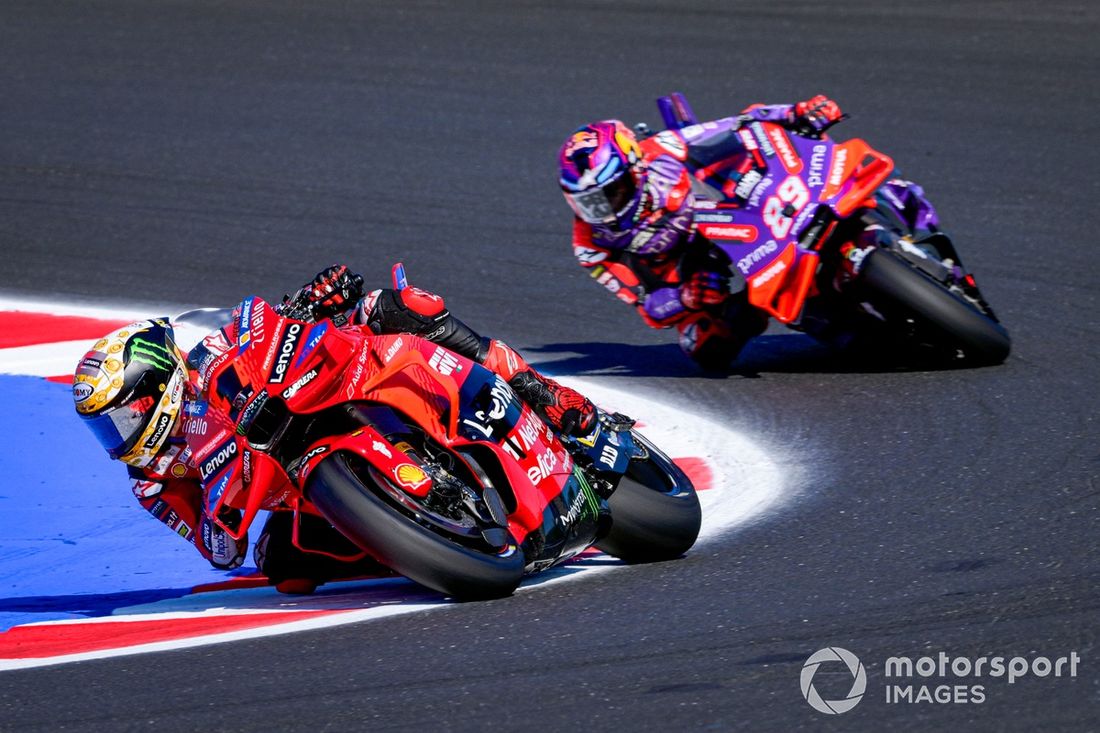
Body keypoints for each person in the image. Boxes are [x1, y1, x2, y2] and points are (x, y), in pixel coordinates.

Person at [72, 265, 597, 593]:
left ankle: (541, 392)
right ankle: (423, 539)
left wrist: (306, 303)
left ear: (157, 385)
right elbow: (219, 551)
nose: (121, 435)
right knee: (282, 565)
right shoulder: (151, 480)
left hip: (318, 387)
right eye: (107, 427)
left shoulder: (195, 346)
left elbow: (253, 324)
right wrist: (221, 496)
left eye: (124, 415)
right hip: (294, 487)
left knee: (399, 308)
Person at [558, 95, 847, 369]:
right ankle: (769, 306)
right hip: (687, 262)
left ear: (635, 170)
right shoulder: (591, 244)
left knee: (795, 155)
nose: (601, 210)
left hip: (720, 208)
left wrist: (795, 112)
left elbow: (744, 123)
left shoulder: (660, 150)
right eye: (588, 202)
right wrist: (685, 297)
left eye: (611, 193)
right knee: (704, 345)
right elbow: (647, 306)